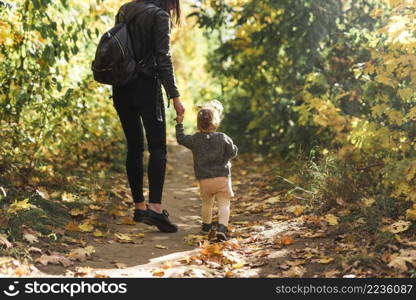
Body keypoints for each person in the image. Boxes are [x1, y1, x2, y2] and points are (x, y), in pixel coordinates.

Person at [112, 0, 184, 233]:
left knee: (134, 148)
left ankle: (139, 206)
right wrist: (175, 96)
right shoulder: (159, 16)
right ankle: (155, 207)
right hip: (146, 87)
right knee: (157, 149)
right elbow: (163, 58)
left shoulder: (125, 9)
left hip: (121, 87)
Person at [175, 101, 238, 241]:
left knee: (207, 203)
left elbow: (180, 139)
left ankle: (206, 226)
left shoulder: (195, 140)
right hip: (222, 177)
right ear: (216, 122)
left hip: (204, 179)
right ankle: (222, 228)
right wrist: (226, 157)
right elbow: (233, 152)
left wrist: (179, 123)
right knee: (224, 203)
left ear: (198, 124)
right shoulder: (223, 137)